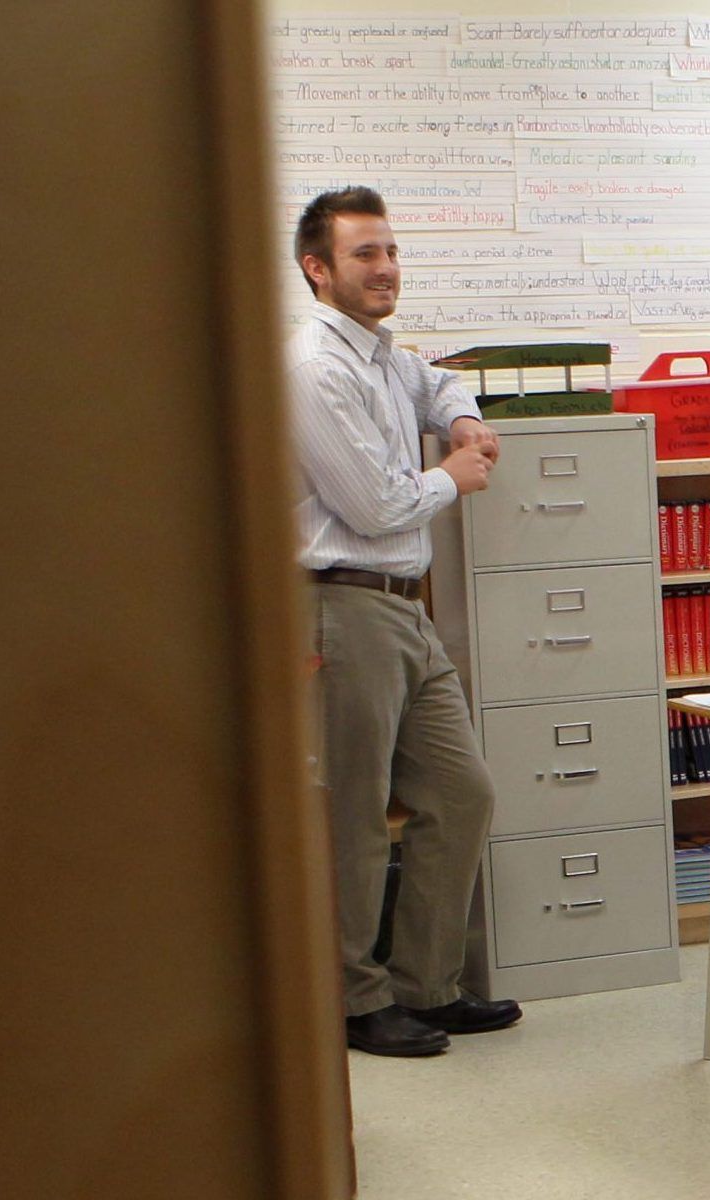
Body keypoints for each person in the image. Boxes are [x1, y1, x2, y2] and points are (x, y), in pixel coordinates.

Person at [287, 187, 515, 1059]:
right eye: (363, 255)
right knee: (351, 815)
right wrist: (454, 474)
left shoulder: (381, 354)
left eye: (389, 251)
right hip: (339, 607)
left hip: (402, 611)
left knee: (463, 793)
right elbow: (379, 504)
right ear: (318, 269)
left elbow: (441, 379)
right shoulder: (315, 366)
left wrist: (459, 417)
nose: (385, 269)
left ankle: (427, 986)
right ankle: (355, 1001)